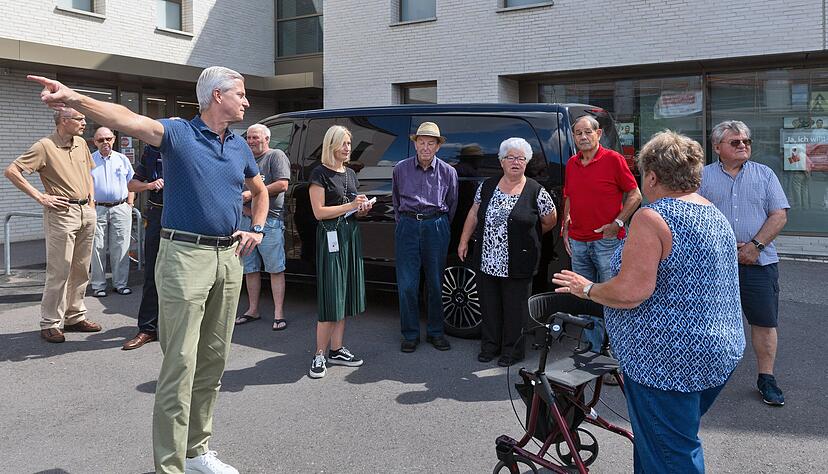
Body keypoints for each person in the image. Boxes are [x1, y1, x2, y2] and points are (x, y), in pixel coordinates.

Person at [27, 66, 269, 474]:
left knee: (212, 361)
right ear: (217, 96)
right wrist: (73, 98)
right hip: (184, 257)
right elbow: (125, 118)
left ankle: (197, 453)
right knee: (181, 364)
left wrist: (257, 229)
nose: (246, 101)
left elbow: (260, 191)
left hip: (228, 259)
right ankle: (170, 467)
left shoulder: (240, 145)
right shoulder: (178, 134)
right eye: (241, 94)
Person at [553, 130, 745, 473]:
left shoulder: (652, 217)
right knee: (664, 443)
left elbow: (631, 291)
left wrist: (587, 289)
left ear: (653, 176)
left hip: (667, 361)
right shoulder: (712, 211)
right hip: (716, 351)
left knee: (670, 457)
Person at [699, 120, 790, 407]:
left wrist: (755, 246)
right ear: (717, 147)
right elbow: (693, 215)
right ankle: (706, 375)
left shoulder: (765, 175)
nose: (743, 146)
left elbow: (778, 215)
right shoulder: (701, 177)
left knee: (764, 321)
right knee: (707, 320)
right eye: (735, 142)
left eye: (746, 141)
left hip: (759, 262)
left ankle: (767, 378)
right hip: (715, 263)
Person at [4, 108, 102, 343]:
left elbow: (88, 173)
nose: (84, 122)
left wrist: (91, 201)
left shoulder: (80, 143)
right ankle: (50, 322)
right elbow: (12, 171)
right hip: (61, 213)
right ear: (64, 121)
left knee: (81, 269)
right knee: (59, 270)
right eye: (79, 119)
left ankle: (75, 316)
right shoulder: (44, 146)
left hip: (85, 212)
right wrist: (41, 197)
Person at [457, 137, 556, 366]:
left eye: (521, 158)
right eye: (510, 157)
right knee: (490, 306)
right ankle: (490, 346)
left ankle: (512, 351)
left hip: (518, 261)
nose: (515, 162)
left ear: (526, 163)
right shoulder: (488, 185)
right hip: (487, 259)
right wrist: (463, 241)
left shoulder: (535, 190)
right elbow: (473, 213)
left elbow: (550, 220)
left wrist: (524, 234)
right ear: (501, 161)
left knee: (515, 310)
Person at [562, 115, 641, 353]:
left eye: (588, 132)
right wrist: (565, 223)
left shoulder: (614, 159)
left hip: (607, 242)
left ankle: (617, 353)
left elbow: (635, 195)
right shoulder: (572, 164)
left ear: (598, 134)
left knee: (613, 298)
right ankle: (594, 350)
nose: (583, 137)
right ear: (574, 137)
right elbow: (569, 195)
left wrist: (616, 223)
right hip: (578, 241)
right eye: (578, 133)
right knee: (584, 297)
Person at [307, 125, 372, 379]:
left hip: (349, 235)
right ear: (331, 144)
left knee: (343, 294)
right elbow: (319, 212)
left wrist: (361, 208)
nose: (348, 148)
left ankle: (336, 349)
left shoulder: (350, 173)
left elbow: (351, 207)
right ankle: (319, 354)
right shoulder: (319, 173)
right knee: (332, 295)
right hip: (330, 235)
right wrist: (349, 204)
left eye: (349, 144)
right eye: (344, 143)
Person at [392, 121, 458, 353]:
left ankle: (435, 332)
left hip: (436, 225)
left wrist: (437, 225)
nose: (426, 147)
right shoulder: (400, 169)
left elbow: (452, 204)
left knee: (435, 283)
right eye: (422, 142)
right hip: (408, 225)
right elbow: (396, 201)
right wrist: (407, 223)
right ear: (415, 144)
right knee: (408, 284)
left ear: (438, 146)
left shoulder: (449, 172)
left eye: (431, 143)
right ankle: (410, 334)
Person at [234, 124, 291, 331]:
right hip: (244, 220)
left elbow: (282, 184)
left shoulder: (275, 156)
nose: (250, 141)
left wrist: (253, 194)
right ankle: (252, 310)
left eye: (255, 137)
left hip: (270, 221)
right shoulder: (244, 159)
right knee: (250, 268)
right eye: (248, 137)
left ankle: (278, 313)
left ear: (267, 138)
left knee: (275, 268)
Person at [123, 144, 164, 350]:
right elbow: (131, 185)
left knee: (189, 274)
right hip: (158, 214)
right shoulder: (152, 151)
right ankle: (148, 329)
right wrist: (149, 186)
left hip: (186, 217)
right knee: (152, 273)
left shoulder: (193, 146)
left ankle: (185, 326)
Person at [89, 126, 135, 297]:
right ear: (95, 142)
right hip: (97, 207)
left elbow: (131, 183)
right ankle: (99, 286)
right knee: (97, 247)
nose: (105, 142)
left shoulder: (123, 159)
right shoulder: (90, 160)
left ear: (114, 140)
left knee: (121, 247)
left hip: (121, 207)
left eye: (108, 139)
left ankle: (120, 283)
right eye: (101, 140)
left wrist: (130, 204)